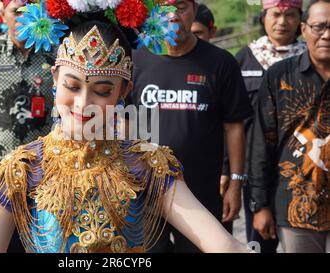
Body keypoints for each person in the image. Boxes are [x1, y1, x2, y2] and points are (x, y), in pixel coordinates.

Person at [0, 0, 250, 254]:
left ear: (123, 91)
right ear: (55, 78)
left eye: (102, 91)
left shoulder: (147, 165)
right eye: (72, 86)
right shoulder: (19, 170)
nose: (83, 103)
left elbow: (222, 244)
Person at [128, 0, 252, 252]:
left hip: (202, 195)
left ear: (194, 9)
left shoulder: (221, 63)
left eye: (180, 7)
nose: (172, 15)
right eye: (163, 7)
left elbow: (234, 127)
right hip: (145, 193)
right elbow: (124, 122)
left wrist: (236, 183)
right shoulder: (136, 60)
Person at [0, 0, 56, 252]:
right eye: (16, 12)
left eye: (29, 12)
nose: (22, 18)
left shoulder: (54, 55)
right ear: (3, 14)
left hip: (46, 180)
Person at [224, 0, 306, 253]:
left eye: (290, 15)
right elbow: (230, 121)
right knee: (258, 243)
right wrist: (227, 168)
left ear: (300, 21)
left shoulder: (313, 58)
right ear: (263, 18)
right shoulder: (245, 58)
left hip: (303, 171)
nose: (282, 22)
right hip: (255, 171)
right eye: (276, 14)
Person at [249, 0, 330, 253]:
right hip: (297, 206)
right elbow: (263, 142)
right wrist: (260, 205)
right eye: (319, 27)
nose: (327, 35)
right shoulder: (279, 76)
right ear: (304, 29)